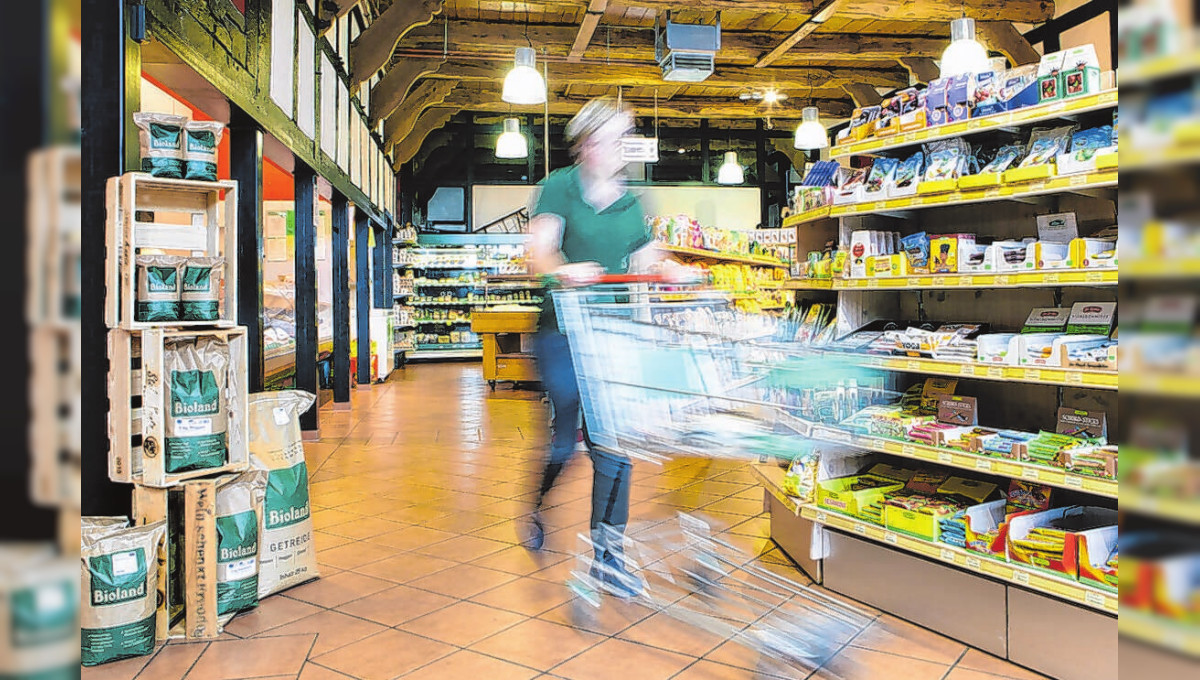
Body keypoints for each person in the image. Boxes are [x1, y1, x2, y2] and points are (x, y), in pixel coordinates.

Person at [522, 97, 674, 597]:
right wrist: (561, 269)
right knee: (567, 440)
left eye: (626, 138)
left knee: (613, 443)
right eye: (613, 138)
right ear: (587, 145)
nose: (621, 149)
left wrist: (673, 270)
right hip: (562, 334)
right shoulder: (559, 188)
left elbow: (647, 255)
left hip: (613, 338)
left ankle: (608, 555)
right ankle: (537, 504)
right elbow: (538, 251)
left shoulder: (632, 202)